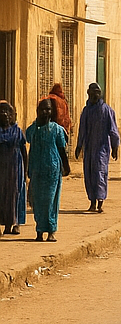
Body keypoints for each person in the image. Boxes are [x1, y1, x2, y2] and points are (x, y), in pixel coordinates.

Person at [26, 98, 69, 241]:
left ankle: (51, 230)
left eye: (48, 109)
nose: (45, 112)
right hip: (37, 169)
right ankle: (39, 230)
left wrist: (66, 167)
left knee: (51, 200)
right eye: (43, 109)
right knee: (37, 201)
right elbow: (28, 138)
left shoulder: (57, 130)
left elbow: (62, 149)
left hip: (52, 169)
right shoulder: (33, 129)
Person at [75, 82, 120, 212]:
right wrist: (79, 146)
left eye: (97, 93)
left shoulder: (106, 110)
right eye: (92, 93)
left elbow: (113, 130)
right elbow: (82, 129)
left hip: (102, 149)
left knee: (100, 173)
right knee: (89, 174)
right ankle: (92, 202)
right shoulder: (86, 110)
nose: (94, 96)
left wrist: (115, 146)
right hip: (89, 148)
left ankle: (100, 202)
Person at [0, 100, 28, 236]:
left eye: (7, 112)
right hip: (1, 168)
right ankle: (5, 223)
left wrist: (26, 170)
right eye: (1, 111)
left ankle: (16, 223)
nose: (4, 114)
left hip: (15, 167)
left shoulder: (17, 131)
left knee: (16, 193)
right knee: (2, 195)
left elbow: (23, 151)